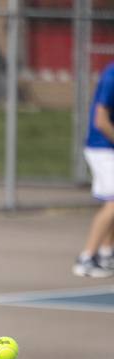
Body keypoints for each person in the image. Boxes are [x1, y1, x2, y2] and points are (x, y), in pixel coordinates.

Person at [74, 61, 114, 277]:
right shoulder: (112, 77)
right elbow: (100, 121)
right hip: (102, 148)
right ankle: (86, 258)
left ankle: (107, 255)